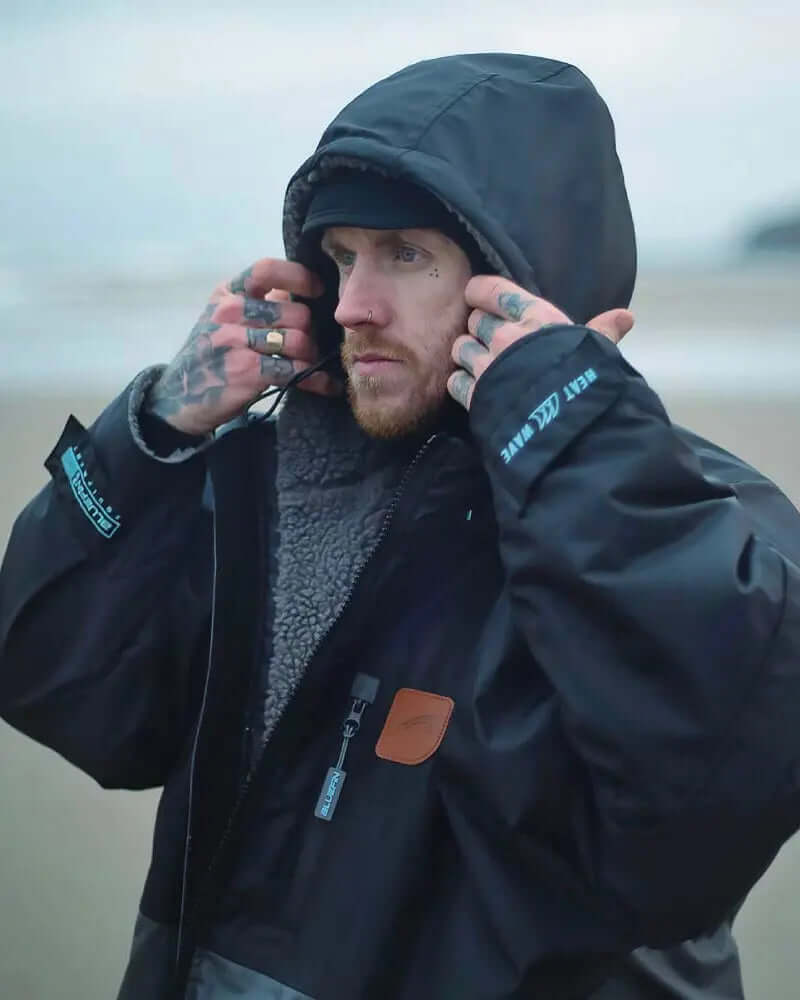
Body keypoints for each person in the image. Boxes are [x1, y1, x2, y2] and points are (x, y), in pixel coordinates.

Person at [1, 52, 799, 1000]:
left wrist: (570, 439)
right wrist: (153, 434)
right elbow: (56, 684)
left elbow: (700, 822)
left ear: (523, 277)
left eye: (405, 254)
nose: (352, 305)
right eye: (341, 256)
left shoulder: (688, 509)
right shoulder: (276, 480)